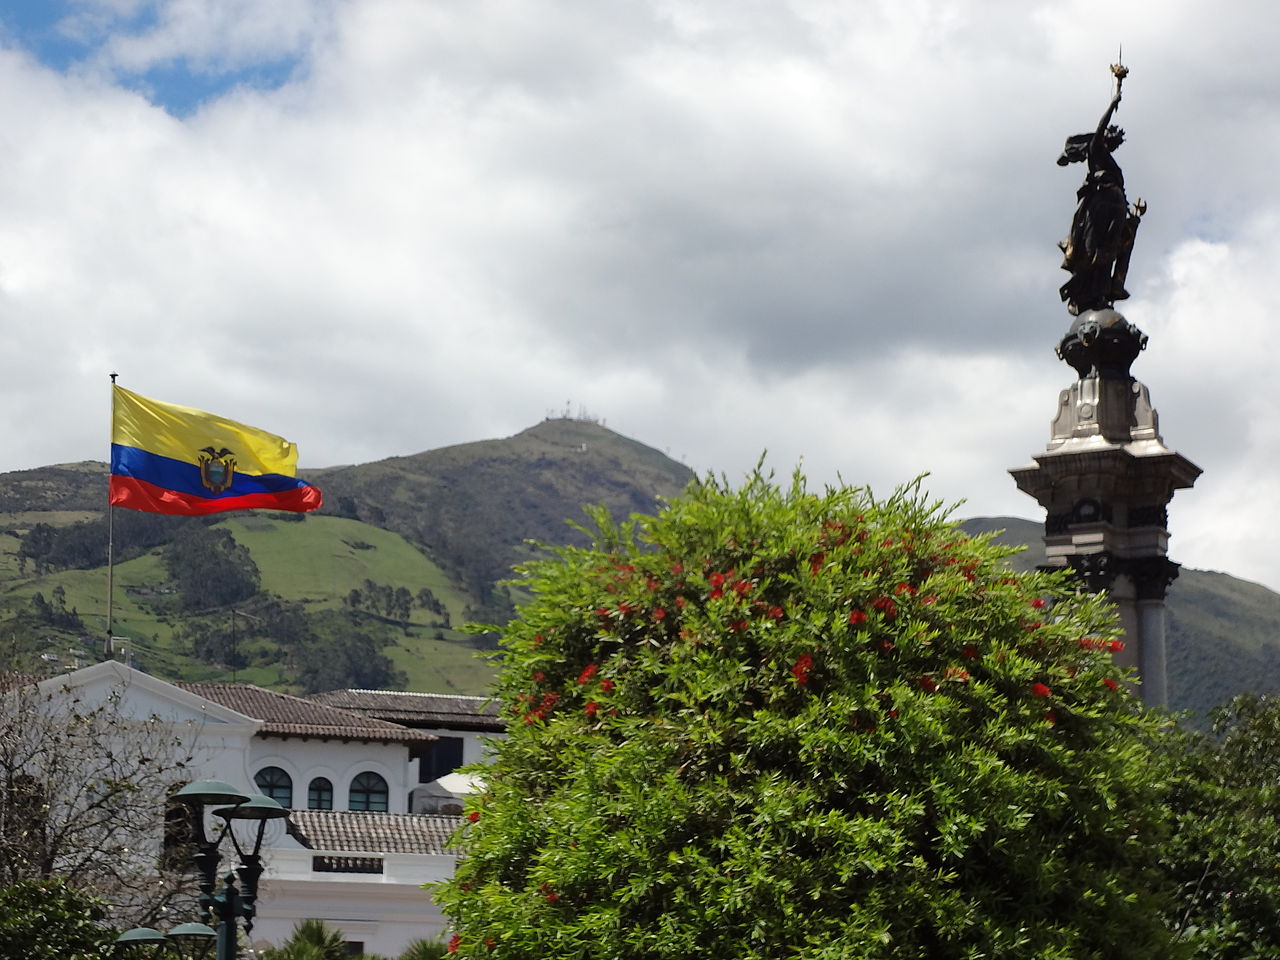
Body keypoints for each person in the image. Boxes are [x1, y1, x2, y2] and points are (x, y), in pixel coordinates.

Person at [1057, 72, 1143, 315]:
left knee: (1111, 249)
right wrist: (1112, 104)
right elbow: (1099, 130)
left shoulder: (1112, 164)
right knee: (1094, 250)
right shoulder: (1096, 151)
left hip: (1116, 205)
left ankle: (1104, 292)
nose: (1116, 139)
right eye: (1113, 136)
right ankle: (1087, 293)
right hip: (1100, 205)